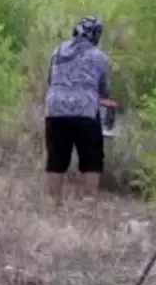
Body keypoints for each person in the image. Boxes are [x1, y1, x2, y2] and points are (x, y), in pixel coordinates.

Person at [44, 16, 113, 205]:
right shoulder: (100, 57)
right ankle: (88, 200)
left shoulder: (57, 51)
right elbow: (105, 90)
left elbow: (50, 80)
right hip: (85, 112)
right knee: (92, 158)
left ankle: (53, 200)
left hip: (55, 111)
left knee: (56, 158)